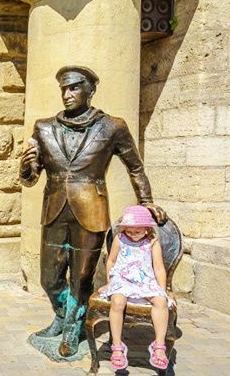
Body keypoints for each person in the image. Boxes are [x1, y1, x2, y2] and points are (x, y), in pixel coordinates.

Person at [20, 65, 166, 357]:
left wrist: (147, 200)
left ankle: (72, 329)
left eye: (74, 87)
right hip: (54, 210)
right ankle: (62, 315)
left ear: (91, 90)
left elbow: (135, 167)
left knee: (82, 277)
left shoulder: (112, 126)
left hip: (92, 210)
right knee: (49, 278)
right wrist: (25, 166)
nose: (67, 94)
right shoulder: (43, 127)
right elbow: (30, 178)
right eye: (64, 89)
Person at [98, 205, 174, 370]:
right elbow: (111, 261)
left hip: (144, 281)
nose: (132, 235)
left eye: (137, 232)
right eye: (129, 231)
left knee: (161, 302)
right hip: (123, 279)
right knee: (117, 302)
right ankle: (117, 346)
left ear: (147, 229)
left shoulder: (152, 243)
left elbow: (159, 268)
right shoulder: (120, 239)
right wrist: (110, 282)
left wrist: (163, 290)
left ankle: (159, 346)